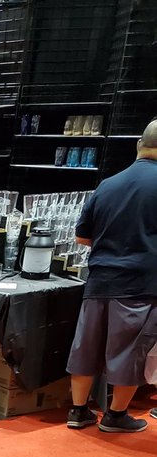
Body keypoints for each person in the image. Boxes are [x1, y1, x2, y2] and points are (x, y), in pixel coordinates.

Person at [66, 119, 157, 434]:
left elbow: (82, 236)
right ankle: (116, 415)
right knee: (129, 350)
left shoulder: (108, 184)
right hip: (140, 284)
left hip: (100, 279)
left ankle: (78, 411)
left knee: (86, 346)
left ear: (138, 145)